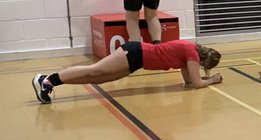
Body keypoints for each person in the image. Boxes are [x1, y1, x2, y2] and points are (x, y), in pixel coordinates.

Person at [33, 41, 222, 102]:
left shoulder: (188, 51)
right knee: (95, 70)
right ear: (204, 59)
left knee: (99, 79)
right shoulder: (191, 53)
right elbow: (196, 84)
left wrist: (205, 77)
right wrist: (211, 80)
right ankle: (47, 79)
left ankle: (52, 82)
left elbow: (189, 80)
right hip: (135, 52)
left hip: (137, 60)